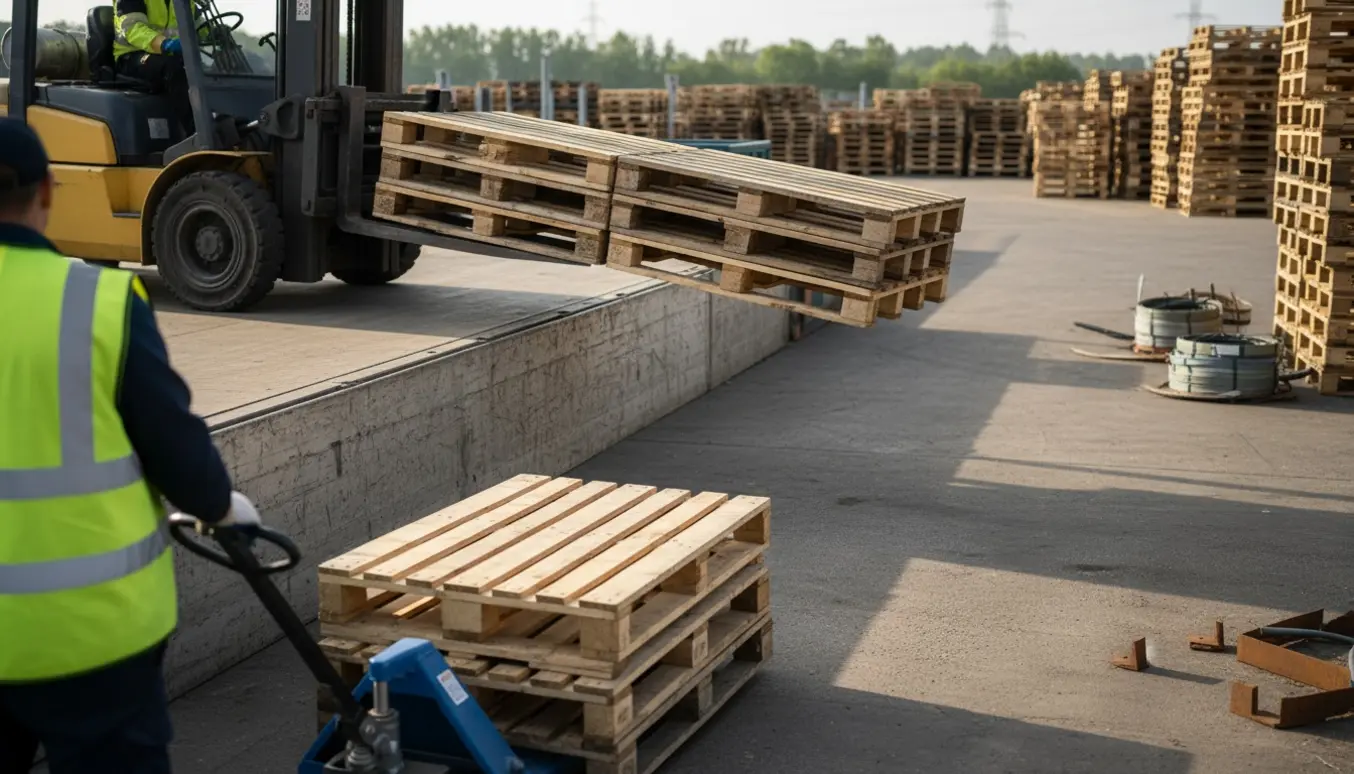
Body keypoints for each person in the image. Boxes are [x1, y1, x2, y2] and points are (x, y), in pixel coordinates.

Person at [0, 118, 262, 773]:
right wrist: (220, 507)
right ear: (50, 192)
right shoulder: (97, 301)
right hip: (94, 636)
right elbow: (171, 440)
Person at [112, 0, 197, 135]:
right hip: (131, 56)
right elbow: (132, 28)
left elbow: (196, 24)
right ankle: (197, 133)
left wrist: (213, 33)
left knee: (209, 69)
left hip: (165, 54)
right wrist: (163, 43)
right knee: (172, 68)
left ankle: (229, 122)